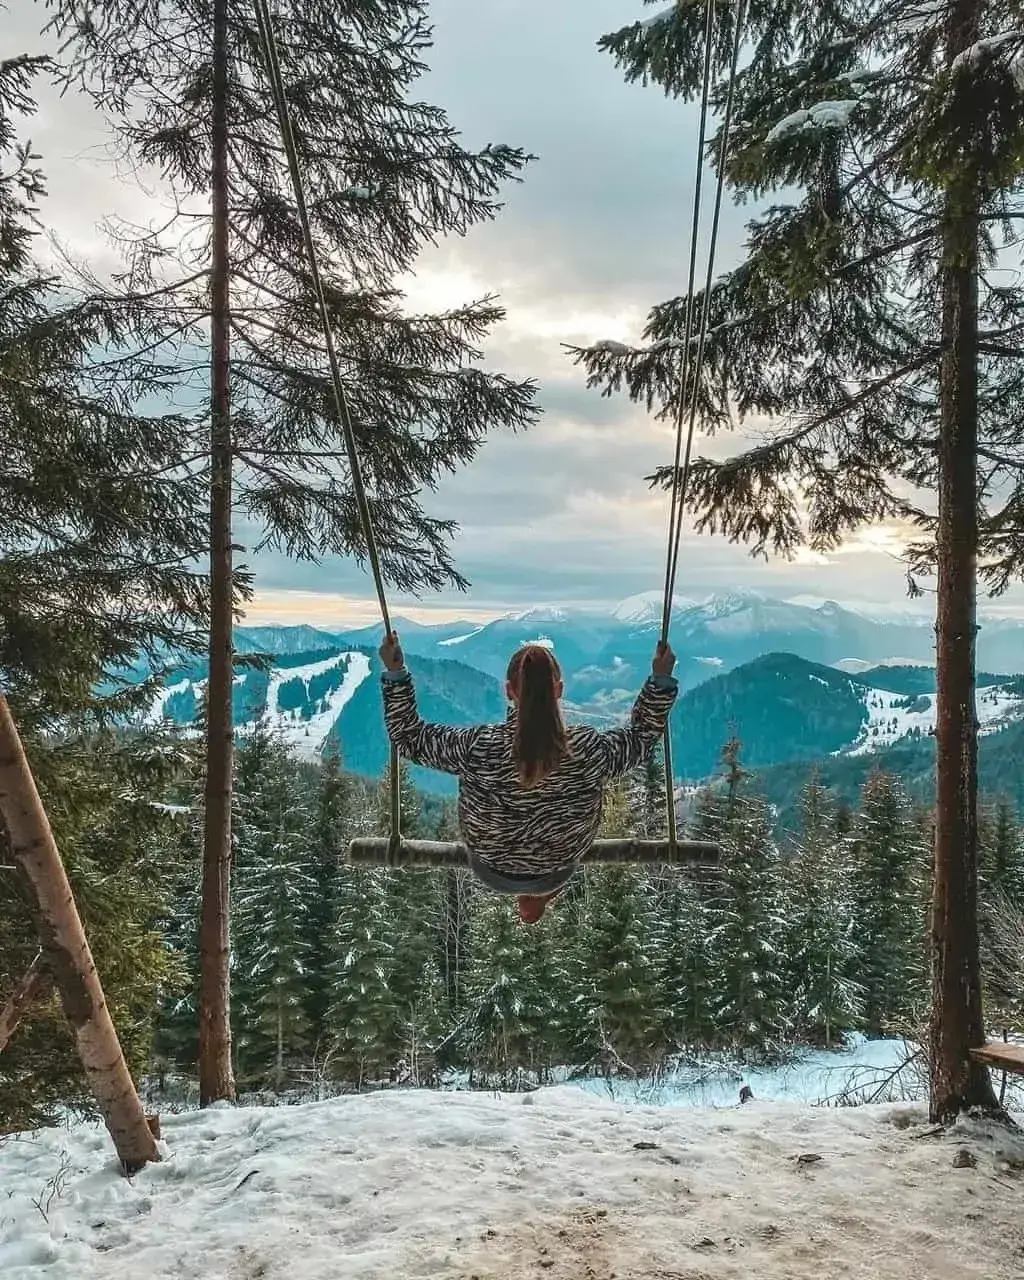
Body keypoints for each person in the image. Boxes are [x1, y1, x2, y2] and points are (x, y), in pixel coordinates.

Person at [378, 631, 678, 923]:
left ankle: (536, 894)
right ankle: (538, 895)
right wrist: (660, 680)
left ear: (509, 691)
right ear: (559, 690)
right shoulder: (588, 749)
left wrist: (396, 673)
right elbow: (640, 739)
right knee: (551, 859)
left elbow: (409, 738)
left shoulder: (479, 746)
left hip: (490, 869)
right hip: (556, 869)